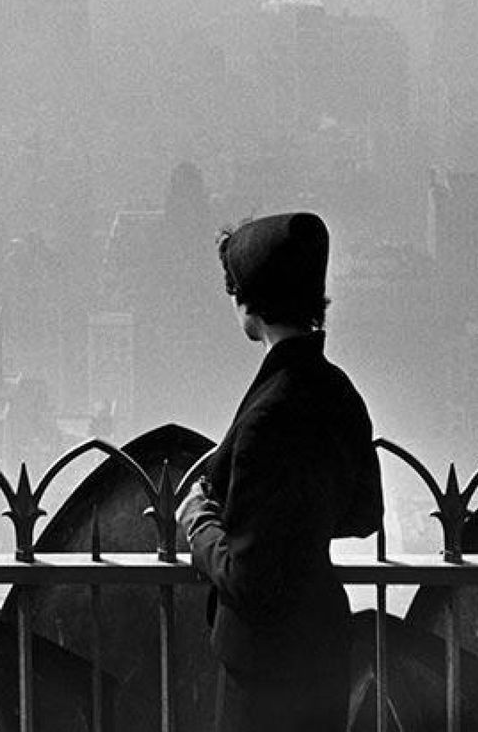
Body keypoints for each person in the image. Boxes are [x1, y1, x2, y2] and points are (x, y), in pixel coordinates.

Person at [176, 212, 383, 732]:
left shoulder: (269, 414)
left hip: (265, 668)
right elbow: (365, 512)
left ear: (249, 301)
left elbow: (249, 578)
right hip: (325, 649)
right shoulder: (338, 391)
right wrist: (300, 518)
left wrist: (199, 522)